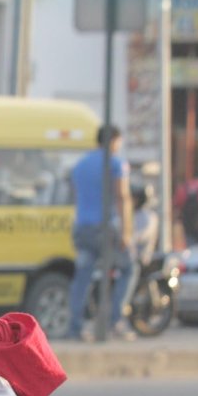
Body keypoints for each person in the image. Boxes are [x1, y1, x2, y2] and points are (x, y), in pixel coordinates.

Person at [66, 124, 134, 341]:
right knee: (128, 268)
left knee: (83, 277)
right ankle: (115, 320)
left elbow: (76, 196)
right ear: (114, 140)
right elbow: (122, 196)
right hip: (104, 228)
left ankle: (75, 327)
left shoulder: (80, 165)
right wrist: (127, 232)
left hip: (82, 228)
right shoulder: (116, 164)